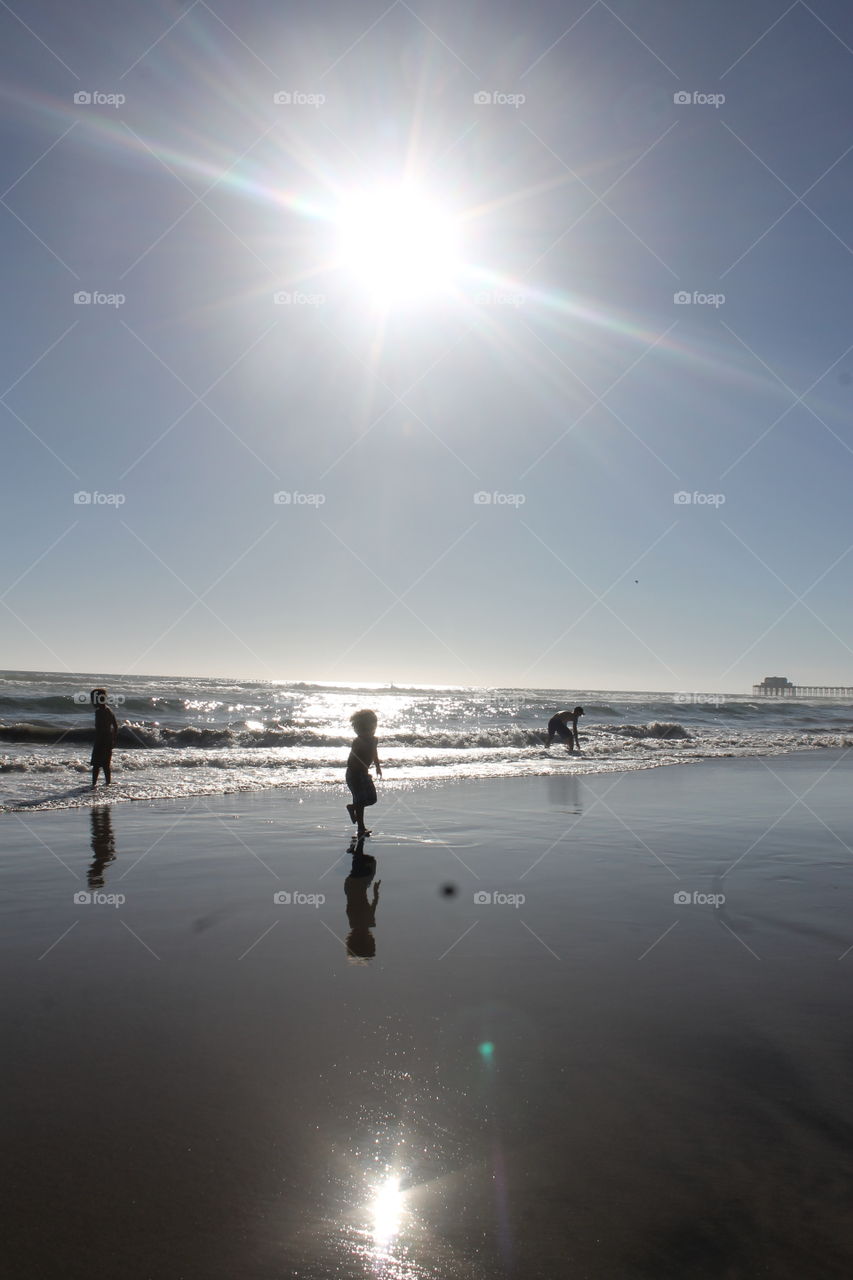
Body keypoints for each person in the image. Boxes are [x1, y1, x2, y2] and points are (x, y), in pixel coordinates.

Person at [345, 708, 382, 836]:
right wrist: (357, 772)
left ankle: (352, 808)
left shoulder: (374, 740)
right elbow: (351, 760)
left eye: (373, 726)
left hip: (364, 774)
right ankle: (361, 828)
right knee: (359, 801)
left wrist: (377, 767)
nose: (371, 730)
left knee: (372, 798)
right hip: (354, 774)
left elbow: (374, 753)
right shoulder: (358, 741)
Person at [90, 688, 118, 788]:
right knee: (106, 764)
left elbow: (99, 728)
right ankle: (108, 783)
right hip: (108, 739)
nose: (92, 702)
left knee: (96, 765)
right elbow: (115, 726)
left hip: (100, 740)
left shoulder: (98, 712)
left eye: (92, 699)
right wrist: (113, 739)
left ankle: (93, 784)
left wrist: (98, 739)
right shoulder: (109, 710)